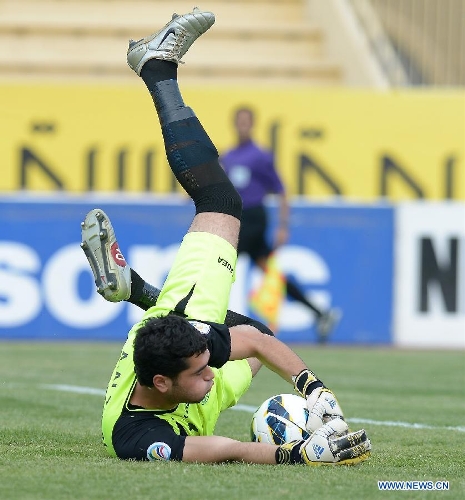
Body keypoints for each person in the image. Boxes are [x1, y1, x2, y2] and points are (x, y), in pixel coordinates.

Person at [80, 8, 371, 465]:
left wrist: (315, 390)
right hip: (187, 393)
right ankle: (137, 291)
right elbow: (225, 448)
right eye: (203, 370)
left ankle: (158, 71)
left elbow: (218, 414)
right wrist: (299, 452)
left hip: (185, 315)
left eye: (208, 364)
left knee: (220, 203)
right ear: (163, 383)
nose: (213, 373)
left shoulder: (184, 354)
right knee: (257, 330)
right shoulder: (137, 438)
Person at [221, 106, 341, 343]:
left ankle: (202, 318)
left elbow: (281, 190)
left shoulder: (260, 156)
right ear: (235, 124)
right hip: (236, 218)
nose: (243, 125)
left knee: (222, 261)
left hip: (254, 219)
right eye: (240, 121)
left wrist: (283, 225)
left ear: (252, 124)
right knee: (272, 275)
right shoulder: (228, 156)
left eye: (247, 121)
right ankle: (320, 313)